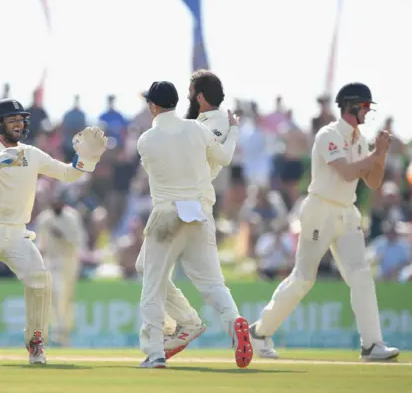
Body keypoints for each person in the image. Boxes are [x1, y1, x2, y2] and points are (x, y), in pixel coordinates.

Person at [249, 82, 400, 361]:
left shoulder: (360, 140)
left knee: (361, 276)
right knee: (304, 278)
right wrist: (374, 154)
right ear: (351, 105)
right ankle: (259, 332)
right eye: (364, 106)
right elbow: (345, 172)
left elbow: (373, 181)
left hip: (347, 212)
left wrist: (380, 154)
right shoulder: (328, 134)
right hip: (320, 211)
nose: (368, 112)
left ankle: (372, 345)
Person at [0, 98, 107, 366]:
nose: (19, 124)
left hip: (16, 232)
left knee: (40, 279)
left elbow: (68, 174)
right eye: (12, 120)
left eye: (21, 119)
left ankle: (36, 343)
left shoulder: (32, 154)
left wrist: (87, 160)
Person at [136, 81, 252, 369]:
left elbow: (152, 170)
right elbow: (223, 157)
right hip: (199, 213)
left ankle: (155, 352)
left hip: (166, 214)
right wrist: (233, 129)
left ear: (153, 106)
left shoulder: (146, 140)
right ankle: (233, 323)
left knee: (152, 285)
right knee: (212, 282)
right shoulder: (197, 129)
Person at [35, 190, 86, 346]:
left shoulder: (72, 217)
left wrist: (61, 235)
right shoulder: (44, 219)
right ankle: (57, 332)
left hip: (69, 262)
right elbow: (40, 244)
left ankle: (64, 334)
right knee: (55, 294)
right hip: (51, 262)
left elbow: (79, 241)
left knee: (66, 298)